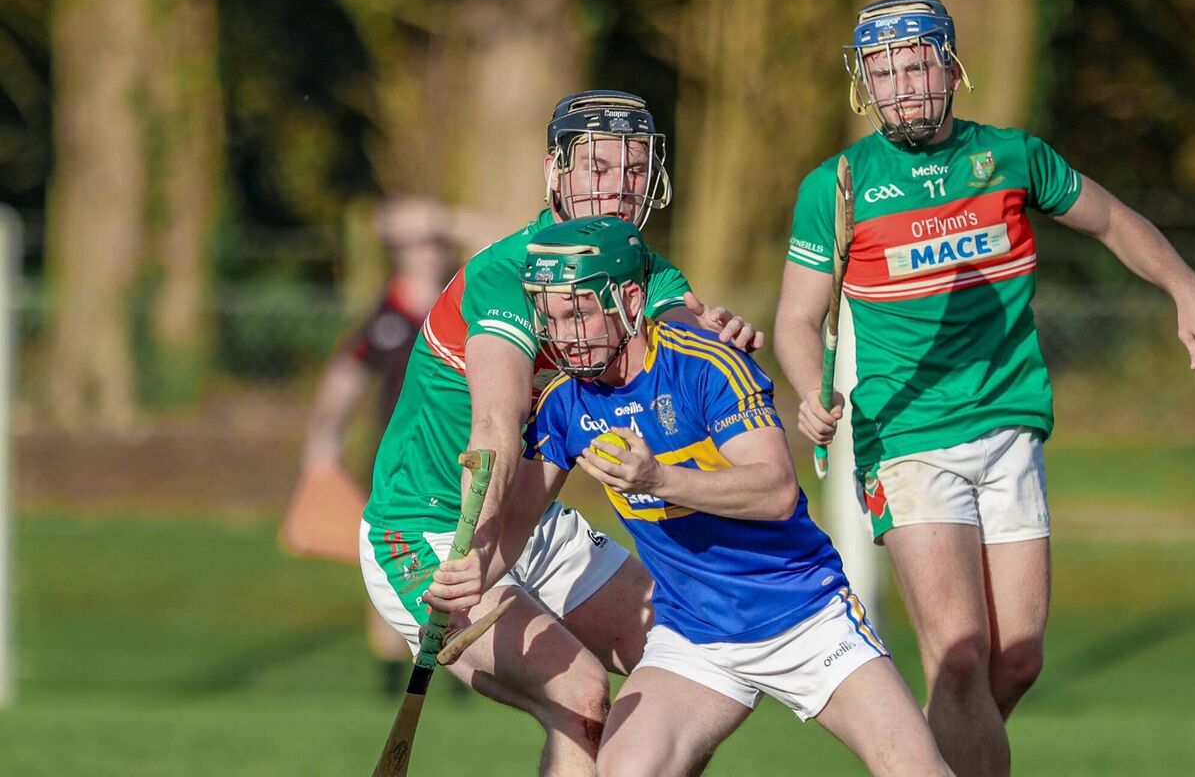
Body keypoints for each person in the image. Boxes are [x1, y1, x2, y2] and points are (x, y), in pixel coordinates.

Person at [772, 0, 1195, 777]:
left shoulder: (1011, 156)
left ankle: (914, 759)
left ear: (949, 65)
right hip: (905, 440)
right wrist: (811, 391)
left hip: (1009, 430)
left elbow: (1111, 222)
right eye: (882, 70)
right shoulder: (838, 184)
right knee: (961, 660)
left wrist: (1184, 287)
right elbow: (798, 320)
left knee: (1018, 662)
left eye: (912, 64)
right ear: (863, 82)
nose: (899, 84)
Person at [433, 215, 954, 776]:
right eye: (549, 315)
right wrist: (473, 576)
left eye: (579, 311)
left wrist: (657, 479)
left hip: (803, 614)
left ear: (629, 297)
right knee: (625, 770)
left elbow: (776, 490)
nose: (564, 334)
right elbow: (517, 524)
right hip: (694, 637)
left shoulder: (705, 363)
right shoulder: (564, 402)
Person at [361, 90, 763, 775]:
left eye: (635, 171)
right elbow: (495, 421)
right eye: (599, 168)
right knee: (579, 694)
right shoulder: (503, 276)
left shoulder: (645, 274)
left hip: (538, 520)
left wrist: (726, 343)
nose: (619, 189)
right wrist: (474, 561)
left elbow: (695, 350)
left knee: (696, 662)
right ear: (556, 173)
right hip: (437, 529)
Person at [301, 197, 457, 694]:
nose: (425, 253)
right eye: (414, 244)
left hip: (460, 455)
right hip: (396, 461)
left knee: (465, 559)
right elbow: (344, 379)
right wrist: (322, 439)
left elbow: (516, 240)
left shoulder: (464, 298)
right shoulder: (385, 313)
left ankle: (463, 669)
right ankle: (394, 676)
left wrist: (443, 217)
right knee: (393, 558)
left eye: (431, 242)